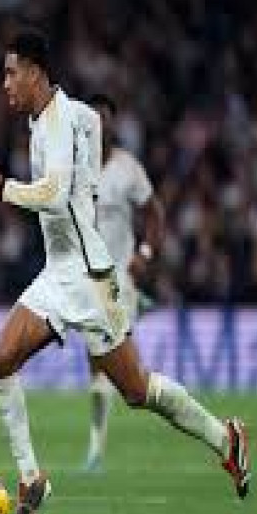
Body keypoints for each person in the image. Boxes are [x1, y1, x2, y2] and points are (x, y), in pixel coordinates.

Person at [0, 27, 251, 514]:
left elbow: (55, 195)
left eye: (11, 73)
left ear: (35, 72)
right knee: (0, 358)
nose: (4, 83)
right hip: (59, 271)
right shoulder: (68, 115)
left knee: (136, 391)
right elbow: (92, 133)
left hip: (92, 279)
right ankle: (32, 479)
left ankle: (225, 438)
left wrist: (5, 187)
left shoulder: (58, 122)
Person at [82, 93, 165, 471]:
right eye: (94, 119)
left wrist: (144, 254)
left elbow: (155, 213)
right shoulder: (75, 169)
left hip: (120, 277)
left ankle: (95, 450)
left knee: (112, 367)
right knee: (97, 364)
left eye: (106, 119)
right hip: (87, 281)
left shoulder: (128, 169)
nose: (100, 126)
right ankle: (96, 448)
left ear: (113, 126)